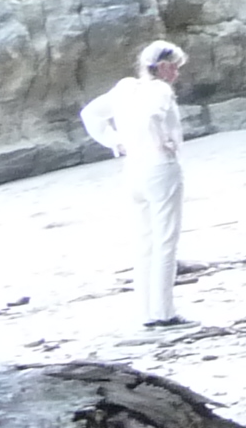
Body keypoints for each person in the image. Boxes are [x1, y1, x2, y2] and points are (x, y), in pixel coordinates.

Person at [80, 41, 189, 329]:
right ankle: (164, 312)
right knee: (165, 241)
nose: (176, 74)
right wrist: (160, 140)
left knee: (144, 242)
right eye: (174, 67)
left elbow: (90, 114)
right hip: (160, 166)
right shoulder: (160, 90)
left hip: (133, 169)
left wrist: (115, 141)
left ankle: (145, 311)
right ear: (162, 66)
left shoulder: (124, 88)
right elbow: (151, 115)